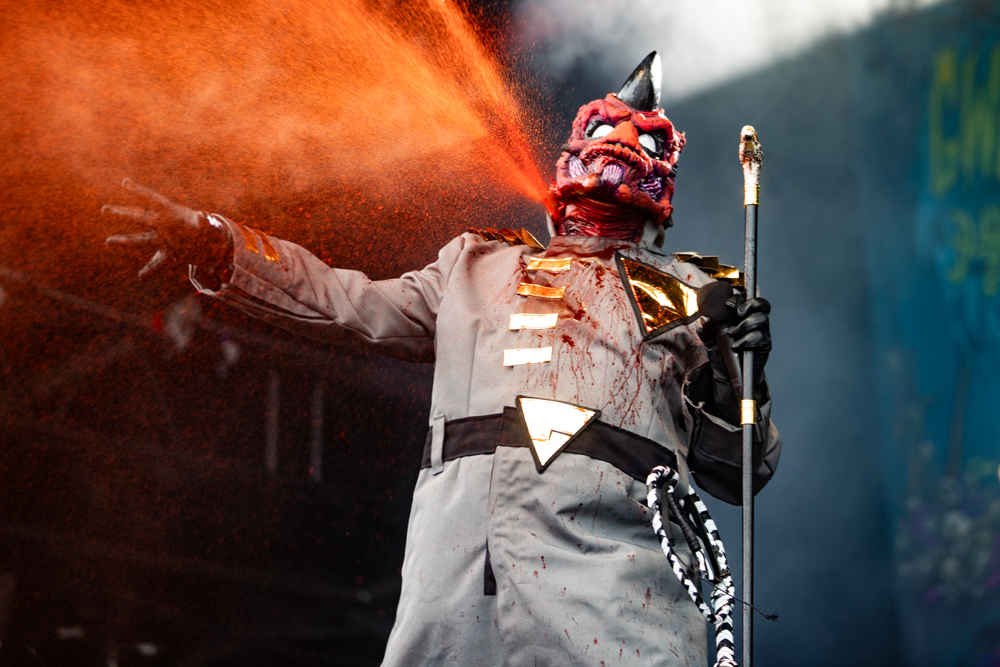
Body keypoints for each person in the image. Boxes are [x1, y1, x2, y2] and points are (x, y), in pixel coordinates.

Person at [105, 52, 780, 666]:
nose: (617, 148)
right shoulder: (476, 265)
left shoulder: (692, 291)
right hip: (457, 573)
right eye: (603, 135)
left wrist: (738, 366)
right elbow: (348, 303)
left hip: (612, 581)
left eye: (639, 144)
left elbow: (741, 470)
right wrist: (220, 244)